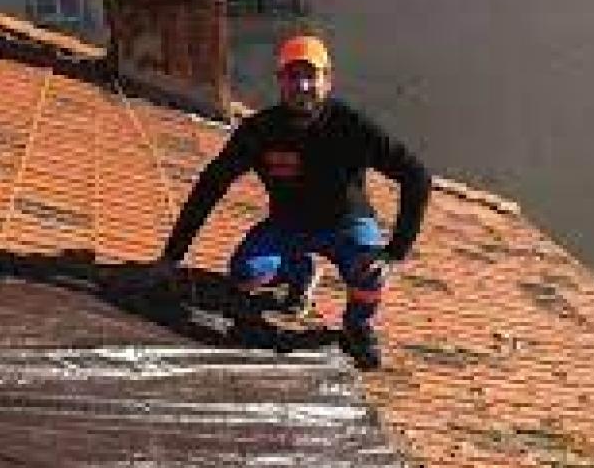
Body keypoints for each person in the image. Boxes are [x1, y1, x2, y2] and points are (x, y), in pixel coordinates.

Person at [151, 34, 431, 368]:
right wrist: (172, 256)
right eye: (292, 76)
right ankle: (301, 273)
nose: (302, 86)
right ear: (280, 81)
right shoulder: (260, 130)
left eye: (311, 76)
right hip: (288, 226)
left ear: (327, 80)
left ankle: (357, 325)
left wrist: (395, 252)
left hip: (348, 225)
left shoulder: (351, 126)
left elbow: (416, 176)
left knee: (369, 273)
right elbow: (210, 186)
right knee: (246, 273)